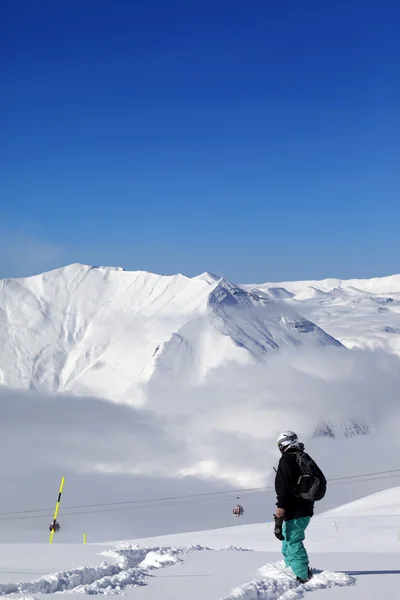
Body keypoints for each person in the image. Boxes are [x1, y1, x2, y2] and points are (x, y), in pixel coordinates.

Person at [274, 430, 324, 583]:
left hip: (295, 509)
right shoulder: (304, 458)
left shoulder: (286, 460)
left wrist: (281, 506)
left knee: (293, 540)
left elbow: (283, 485)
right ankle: (291, 566)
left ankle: (302, 575)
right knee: (287, 537)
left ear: (283, 445)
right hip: (306, 507)